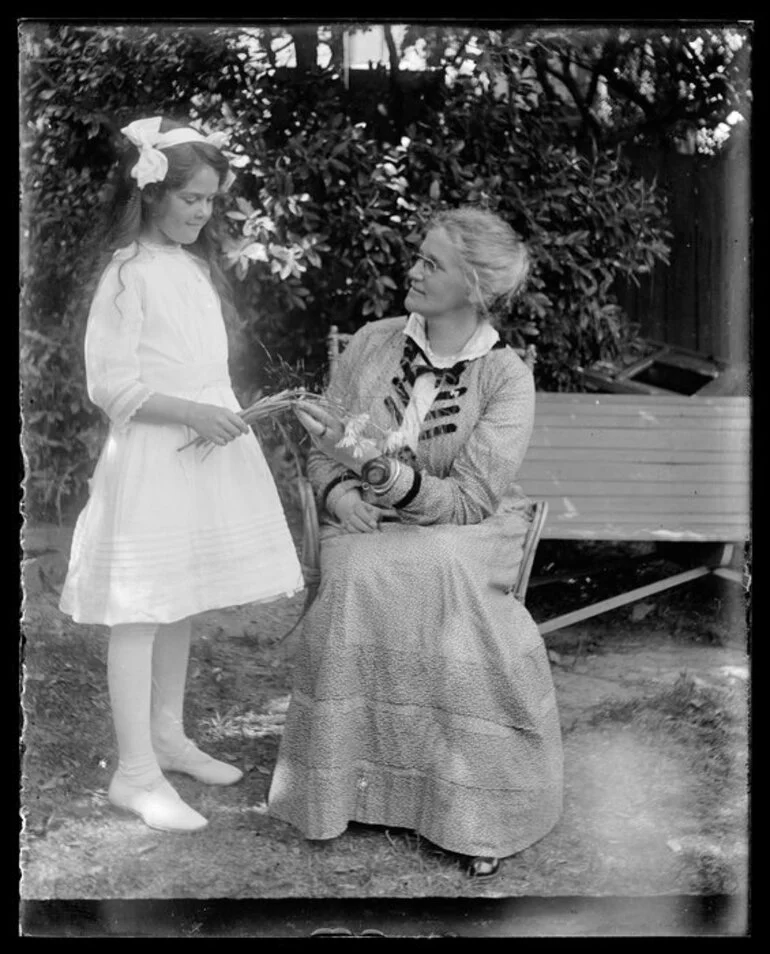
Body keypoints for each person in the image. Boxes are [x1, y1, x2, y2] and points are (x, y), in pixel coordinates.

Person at [267, 206, 563, 878]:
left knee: (434, 568)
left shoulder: (506, 376)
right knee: (356, 575)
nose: (414, 270)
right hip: (364, 522)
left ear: (476, 288)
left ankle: (476, 806)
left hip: (462, 530)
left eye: (433, 264)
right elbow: (320, 454)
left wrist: (374, 472)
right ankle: (345, 788)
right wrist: (340, 492)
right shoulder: (373, 342)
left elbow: (468, 500)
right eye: (419, 256)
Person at [58, 116, 304, 833]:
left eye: (210, 201)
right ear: (151, 194)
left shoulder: (192, 269)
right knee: (140, 607)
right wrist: (193, 414)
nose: (202, 212)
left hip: (200, 458)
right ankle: (134, 773)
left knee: (181, 597)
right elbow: (111, 385)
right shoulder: (126, 272)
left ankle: (167, 735)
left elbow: (199, 365)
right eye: (191, 198)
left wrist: (218, 414)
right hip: (151, 459)